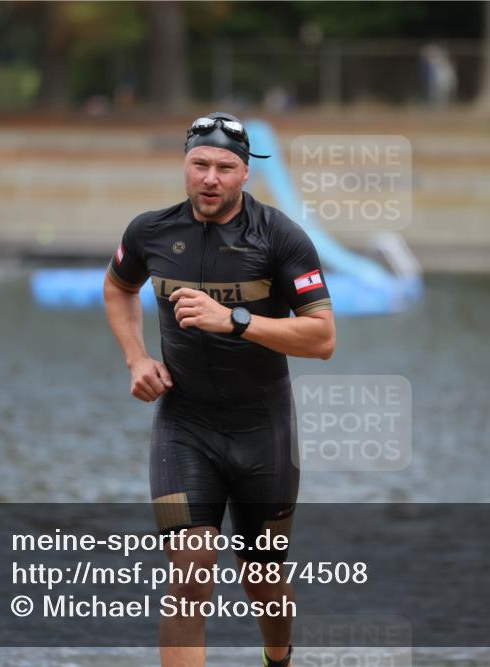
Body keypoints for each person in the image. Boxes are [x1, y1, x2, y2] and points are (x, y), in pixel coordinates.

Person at [104, 112, 336, 667]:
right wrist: (136, 357)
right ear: (184, 165)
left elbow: (323, 338)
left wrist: (233, 320)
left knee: (263, 581)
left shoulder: (280, 237)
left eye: (225, 168)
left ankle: (277, 658)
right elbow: (117, 288)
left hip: (263, 430)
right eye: (199, 164)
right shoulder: (150, 231)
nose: (210, 178)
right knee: (190, 570)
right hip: (185, 425)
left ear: (245, 174)